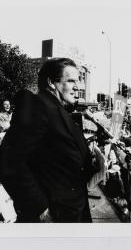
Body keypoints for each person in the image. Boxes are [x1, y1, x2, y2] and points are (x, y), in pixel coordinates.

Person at [0, 58, 99, 223]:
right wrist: (41, 210)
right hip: (55, 217)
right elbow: (9, 162)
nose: (77, 87)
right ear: (51, 82)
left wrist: (91, 161)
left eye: (77, 81)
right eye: (70, 81)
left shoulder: (56, 108)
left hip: (72, 211)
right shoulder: (37, 106)